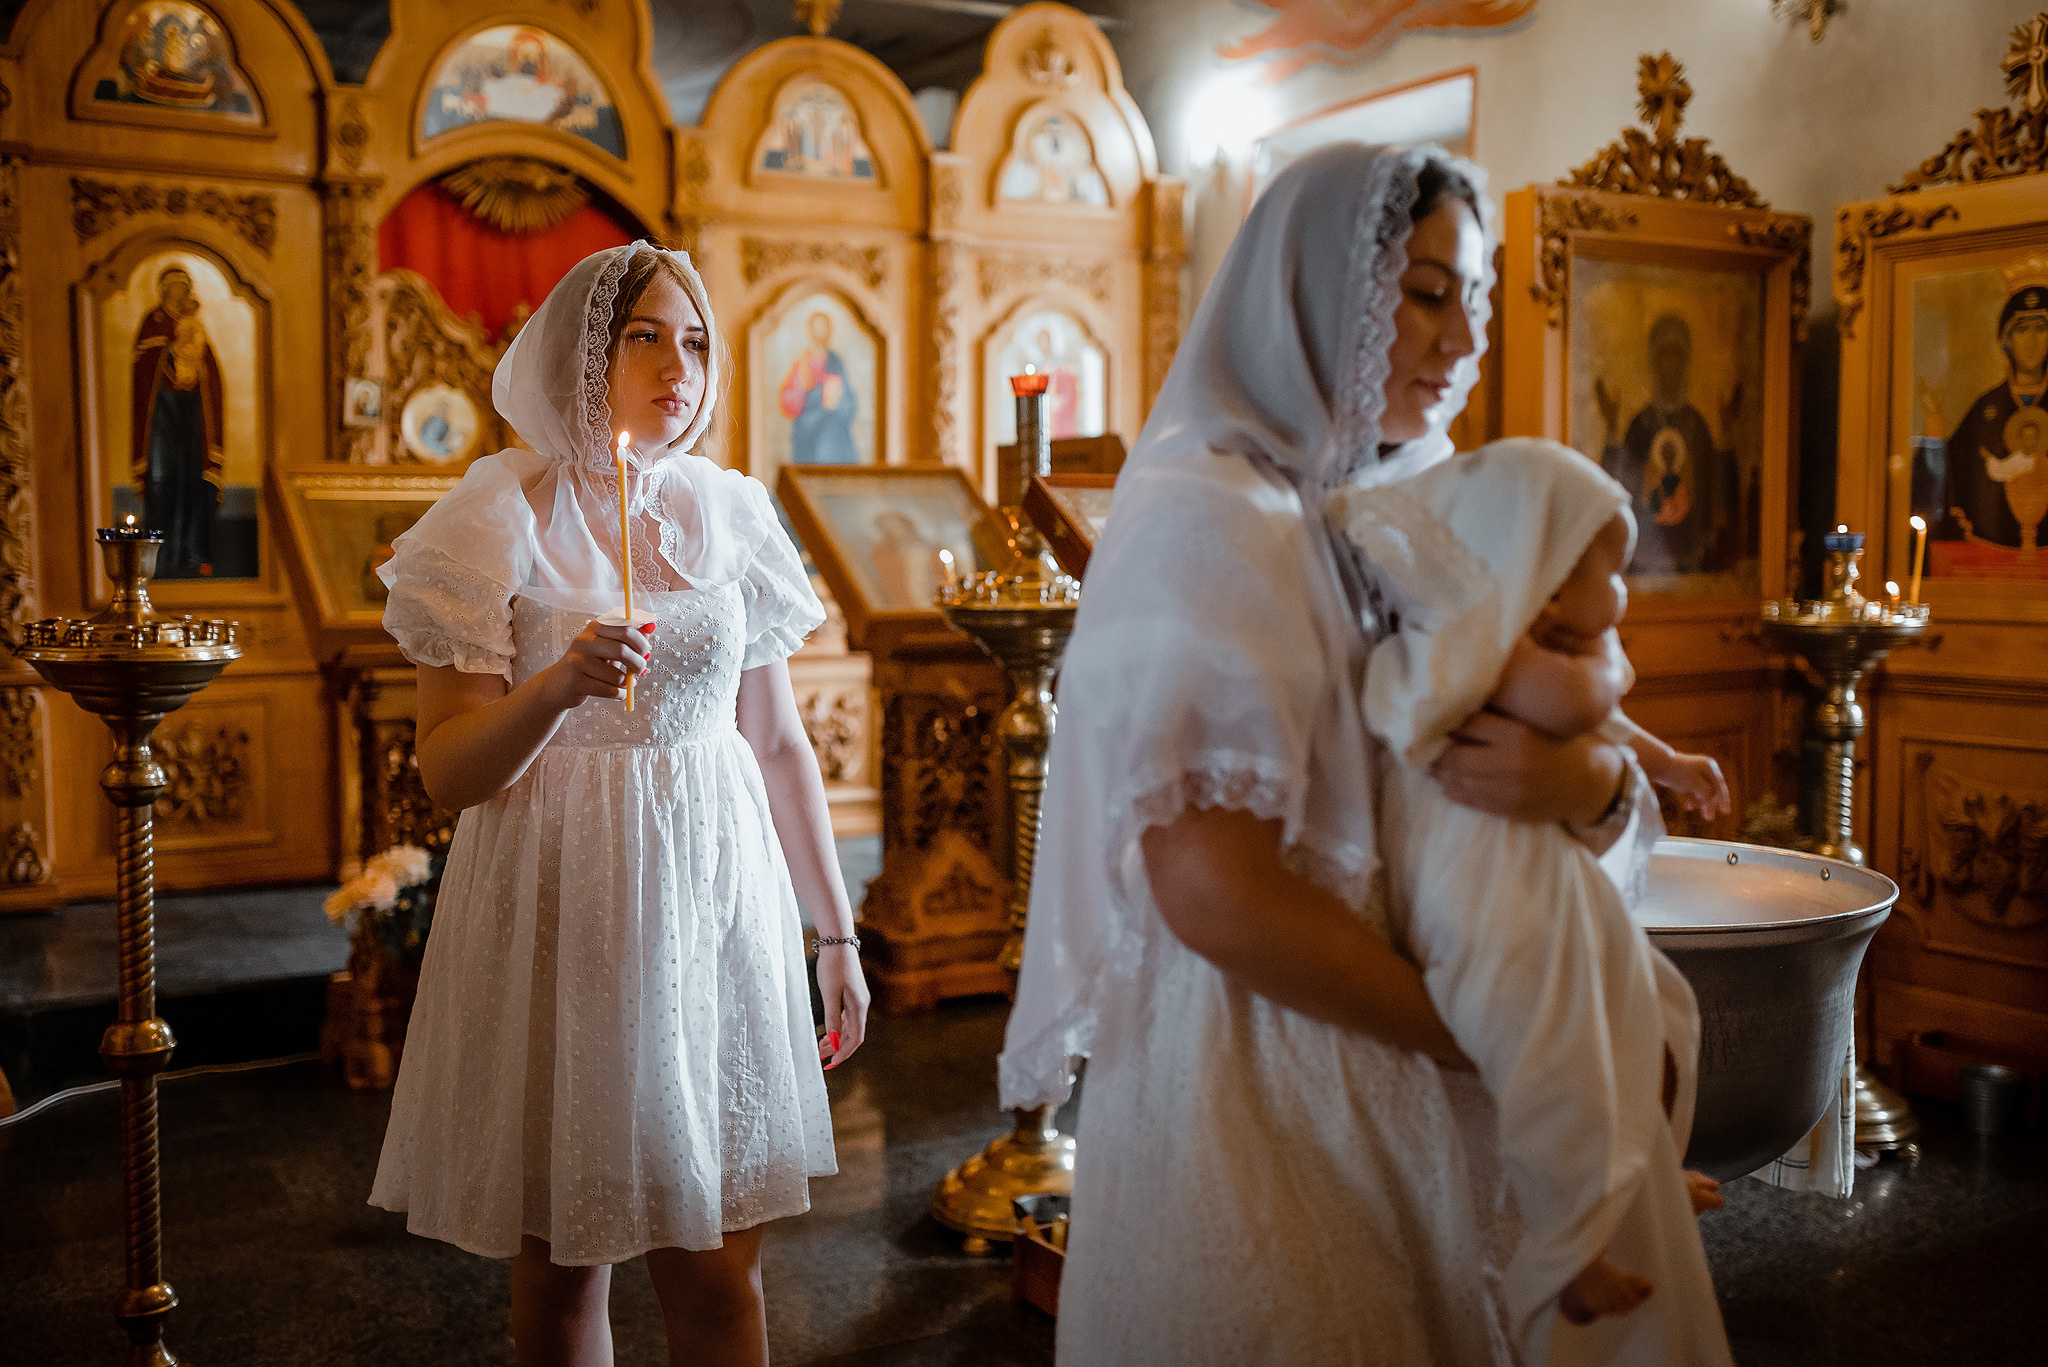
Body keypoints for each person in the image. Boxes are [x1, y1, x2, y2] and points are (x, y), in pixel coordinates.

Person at [999, 143, 1663, 1363]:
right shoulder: (1207, 515)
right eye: (1423, 292)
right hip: (1267, 1073)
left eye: (1471, 295)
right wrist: (1501, 1043)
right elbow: (1214, 891)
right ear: (1314, 288)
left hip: (1424, 1022)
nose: (1462, 337)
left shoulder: (1410, 499)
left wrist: (1594, 782)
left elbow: (1568, 717)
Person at [370, 241, 869, 1367]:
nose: (676, 365)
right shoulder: (498, 514)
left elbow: (779, 742)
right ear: (580, 355)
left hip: (713, 898)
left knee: (720, 1263)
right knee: (561, 1268)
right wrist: (556, 685)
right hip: (568, 897)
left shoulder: (729, 512)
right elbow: (448, 771)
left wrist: (833, 930)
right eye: (643, 334)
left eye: (695, 341)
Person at [1336, 440, 1732, 1364]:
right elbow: (1581, 700)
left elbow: (1606, 720)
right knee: (1549, 1055)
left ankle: (1630, 1169)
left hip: (1541, 887)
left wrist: (1661, 762)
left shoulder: (1524, 642)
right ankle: (1569, 1240)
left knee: (1650, 1006)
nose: (1624, 599)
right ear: (1543, 583)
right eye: (1611, 575)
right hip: (1488, 901)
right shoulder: (1471, 648)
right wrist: (1596, 681)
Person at [1594, 314, 1742, 576]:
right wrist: (1613, 429)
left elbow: (1718, 492)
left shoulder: (1696, 425)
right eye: (1664, 355)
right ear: (1654, 361)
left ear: (1685, 362)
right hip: (1644, 558)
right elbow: (1615, 489)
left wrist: (1728, 435)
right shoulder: (1640, 425)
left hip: (1693, 558)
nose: (1670, 364)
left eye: (1677, 355)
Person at [1923, 282, 2048, 552]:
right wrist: (1934, 424)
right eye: (2022, 330)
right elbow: (1953, 468)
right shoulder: (1986, 408)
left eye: (2041, 329)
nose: (2031, 340)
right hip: (1990, 553)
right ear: (2008, 340)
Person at [130, 265, 223, 577]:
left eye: (183, 287)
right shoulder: (152, 322)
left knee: (193, 482)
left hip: (192, 413)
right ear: (164, 290)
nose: (178, 293)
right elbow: (142, 370)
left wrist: (198, 363)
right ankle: (161, 559)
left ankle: (194, 556)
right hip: (163, 414)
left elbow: (212, 375)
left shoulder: (196, 325)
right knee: (162, 482)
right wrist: (169, 350)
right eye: (173, 287)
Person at [778, 312, 860, 466]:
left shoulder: (836, 362)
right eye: (816, 328)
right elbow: (788, 401)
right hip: (808, 427)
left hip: (833, 426)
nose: (820, 332)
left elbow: (850, 401)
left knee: (832, 431)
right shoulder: (802, 363)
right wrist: (809, 395)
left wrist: (837, 403)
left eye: (823, 328)